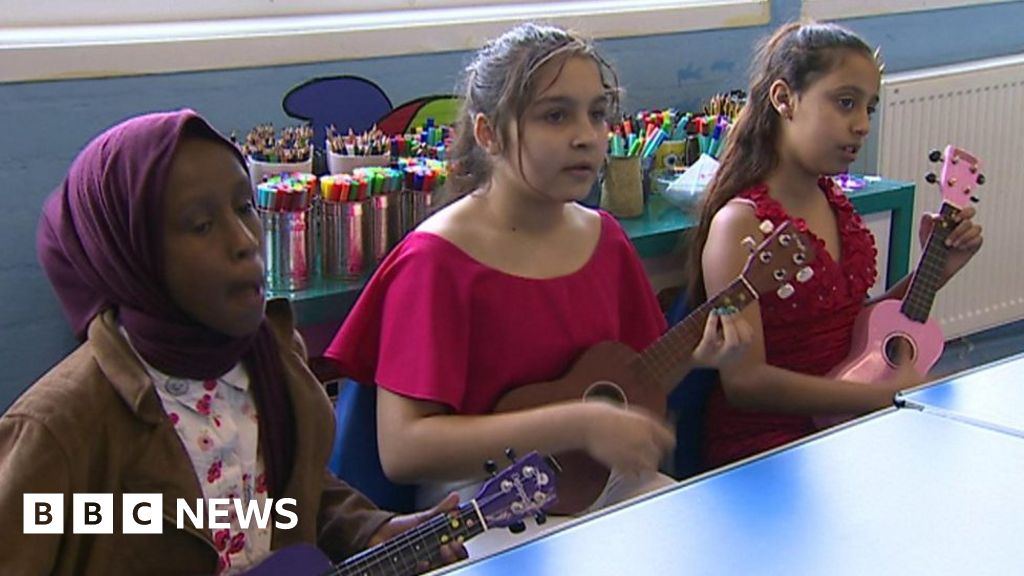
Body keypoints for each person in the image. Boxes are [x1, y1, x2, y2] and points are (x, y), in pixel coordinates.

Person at [325, 23, 750, 557]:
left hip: (600, 485)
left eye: (597, 114)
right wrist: (576, 423)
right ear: (488, 134)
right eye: (556, 115)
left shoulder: (606, 239)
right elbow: (405, 450)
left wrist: (696, 358)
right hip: (481, 505)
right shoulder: (435, 262)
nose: (586, 135)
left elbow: (628, 383)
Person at [0, 109, 465, 575]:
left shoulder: (269, 359)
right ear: (130, 253)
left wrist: (369, 529)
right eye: (201, 226)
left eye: (245, 208)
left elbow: (271, 500)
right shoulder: (58, 430)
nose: (245, 241)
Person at [686, 21, 984, 470]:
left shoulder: (834, 201)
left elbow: (854, 328)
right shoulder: (740, 224)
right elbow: (745, 382)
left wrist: (935, 271)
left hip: (851, 417)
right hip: (770, 445)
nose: (862, 125)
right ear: (784, 99)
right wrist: (880, 398)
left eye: (869, 108)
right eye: (845, 103)